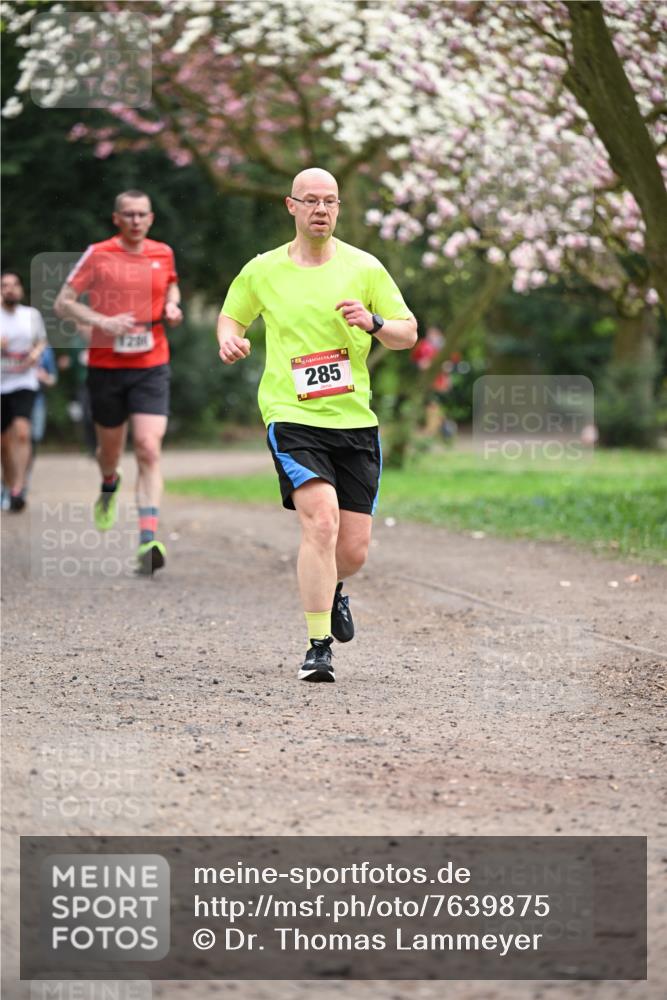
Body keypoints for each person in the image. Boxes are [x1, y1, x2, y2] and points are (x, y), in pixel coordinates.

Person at [217, 167, 417, 682]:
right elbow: (232, 316)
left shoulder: (366, 267)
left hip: (354, 421)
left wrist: (373, 322)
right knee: (320, 522)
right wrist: (230, 339)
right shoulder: (263, 270)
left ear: (339, 207)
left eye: (330, 201)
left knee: (351, 550)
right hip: (292, 414)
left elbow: (407, 332)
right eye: (311, 200)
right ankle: (317, 647)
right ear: (291, 207)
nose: (321, 209)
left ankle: (333, 588)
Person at [54, 190, 183, 575]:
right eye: (128, 214)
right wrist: (100, 321)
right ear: (116, 219)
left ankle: (148, 539)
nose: (135, 221)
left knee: (148, 448)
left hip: (151, 363)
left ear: (151, 218)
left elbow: (172, 284)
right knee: (109, 454)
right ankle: (109, 483)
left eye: (142, 214)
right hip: (106, 366)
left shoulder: (163, 253)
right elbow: (63, 302)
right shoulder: (98, 253)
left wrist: (173, 305)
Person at [1, 270, 48, 512]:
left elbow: (42, 340)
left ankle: (19, 486)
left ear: (20, 289)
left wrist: (35, 353)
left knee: (22, 433)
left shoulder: (31, 315)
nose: (10, 289)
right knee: (3, 443)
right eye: (5, 285)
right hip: (1, 384)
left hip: (24, 382)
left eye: (14, 284)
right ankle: (9, 486)